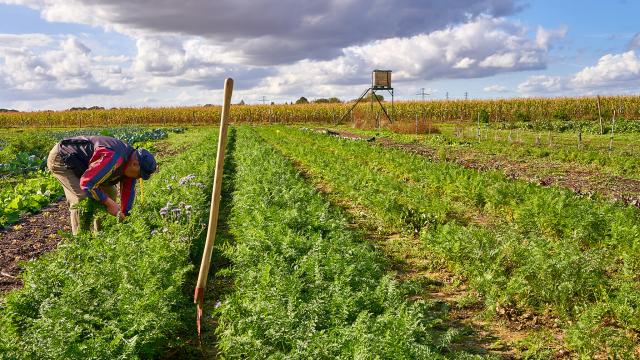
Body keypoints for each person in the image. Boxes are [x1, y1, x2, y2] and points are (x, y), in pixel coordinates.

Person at [47, 135, 157, 235]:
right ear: (135, 164)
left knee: (110, 192)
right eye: (140, 175)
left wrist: (125, 215)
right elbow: (87, 184)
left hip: (85, 165)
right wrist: (109, 204)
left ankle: (101, 233)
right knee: (82, 198)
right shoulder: (113, 158)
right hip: (63, 158)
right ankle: (81, 242)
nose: (138, 178)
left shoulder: (130, 165)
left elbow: (128, 191)